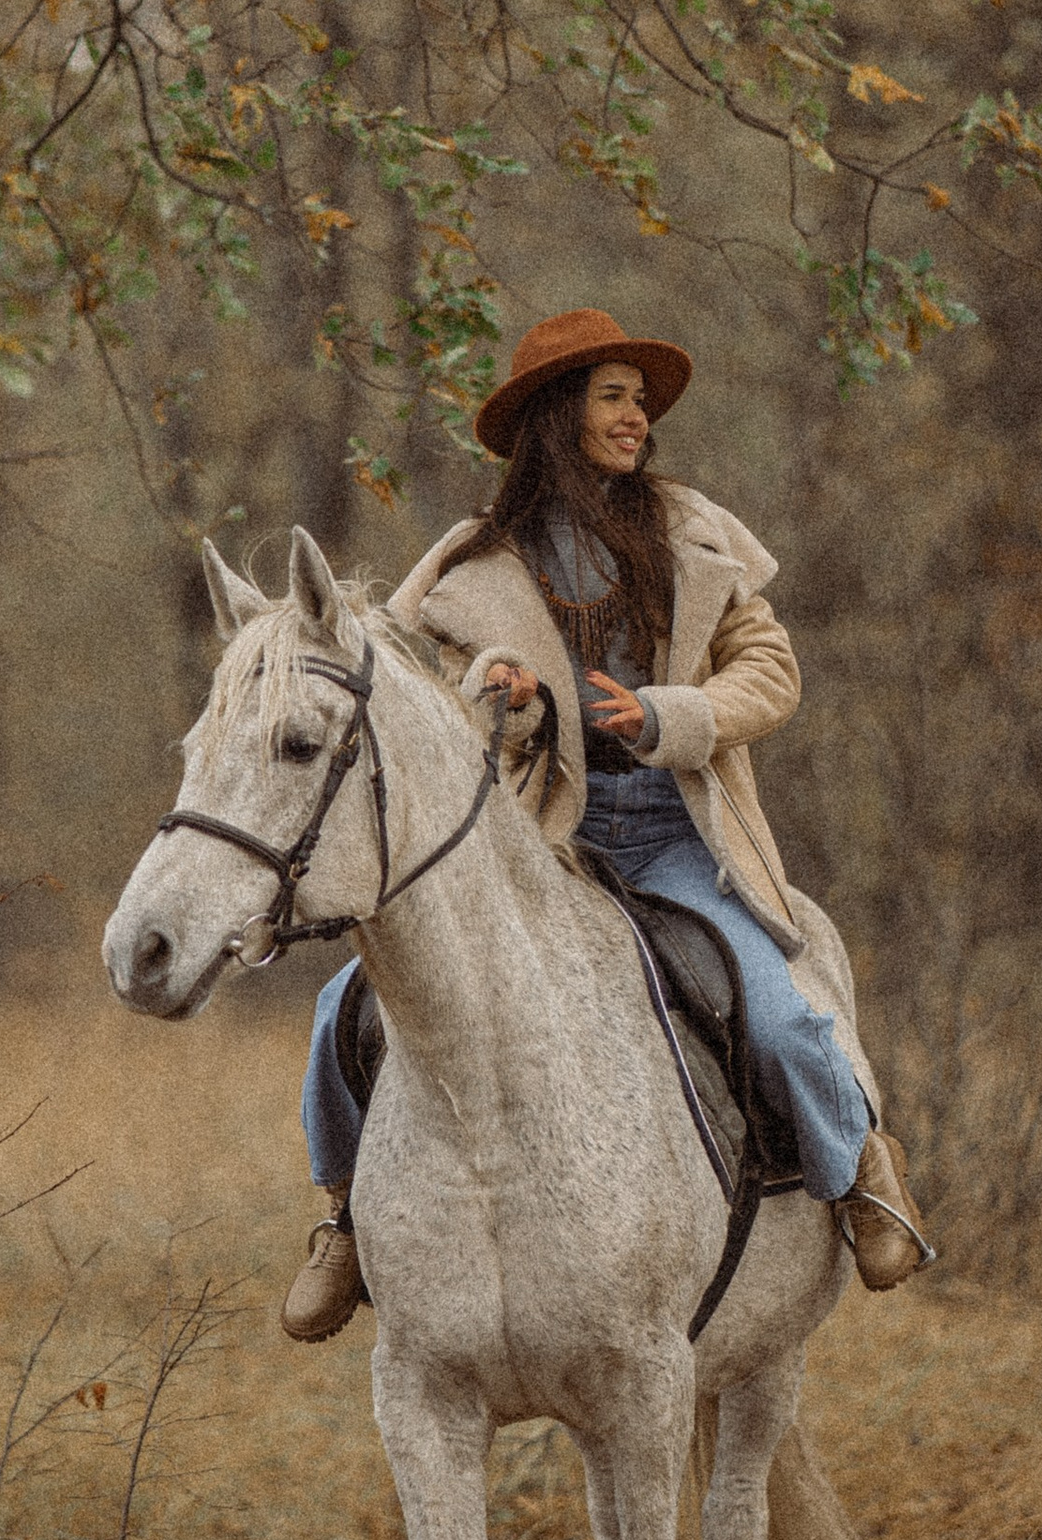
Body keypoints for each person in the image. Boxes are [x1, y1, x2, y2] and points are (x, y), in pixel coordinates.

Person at [281, 305, 937, 1343]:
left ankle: (861, 1173)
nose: (636, 419)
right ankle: (344, 1221)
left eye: (640, 401)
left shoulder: (690, 534)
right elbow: (444, 703)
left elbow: (771, 673)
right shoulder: (478, 565)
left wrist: (666, 717)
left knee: (780, 1014)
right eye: (614, 398)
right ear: (559, 414)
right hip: (545, 842)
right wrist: (498, 694)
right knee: (344, 1007)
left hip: (681, 833)